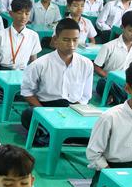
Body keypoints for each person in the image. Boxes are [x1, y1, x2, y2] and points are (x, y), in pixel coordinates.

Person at [20, 18, 94, 146]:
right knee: (28, 114)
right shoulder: (39, 64)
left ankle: (54, 137)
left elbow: (85, 96)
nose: (71, 44)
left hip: (73, 109)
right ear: (55, 40)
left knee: (99, 122)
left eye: (75, 40)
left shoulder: (86, 64)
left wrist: (76, 111)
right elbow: (27, 92)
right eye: (66, 40)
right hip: (47, 107)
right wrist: (43, 112)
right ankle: (68, 137)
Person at [93, 10, 132, 106]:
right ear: (122, 27)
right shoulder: (109, 46)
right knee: (103, 83)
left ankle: (117, 97)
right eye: (131, 30)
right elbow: (96, 66)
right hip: (112, 81)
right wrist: (109, 76)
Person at [0, 0, 40, 73]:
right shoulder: (0, 35)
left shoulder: (33, 36)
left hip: (23, 73)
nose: (23, 17)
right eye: (19, 13)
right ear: (11, 14)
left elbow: (33, 63)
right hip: (2, 72)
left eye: (27, 13)